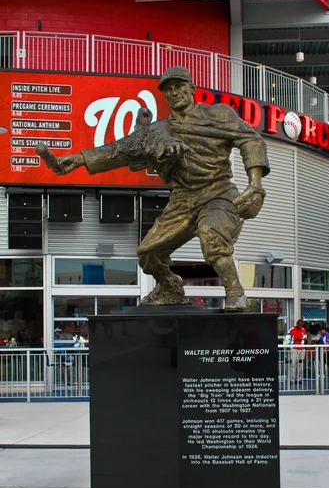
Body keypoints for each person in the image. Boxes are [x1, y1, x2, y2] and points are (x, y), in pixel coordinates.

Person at [36, 66, 270, 311]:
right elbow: (118, 151)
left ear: (192, 88)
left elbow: (251, 140)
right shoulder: (158, 131)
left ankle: (235, 293)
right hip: (182, 199)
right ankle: (170, 286)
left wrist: (255, 184)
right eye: (168, 90)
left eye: (179, 86)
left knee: (210, 232)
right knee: (147, 254)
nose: (174, 93)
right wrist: (76, 159)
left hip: (218, 192)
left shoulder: (219, 114)